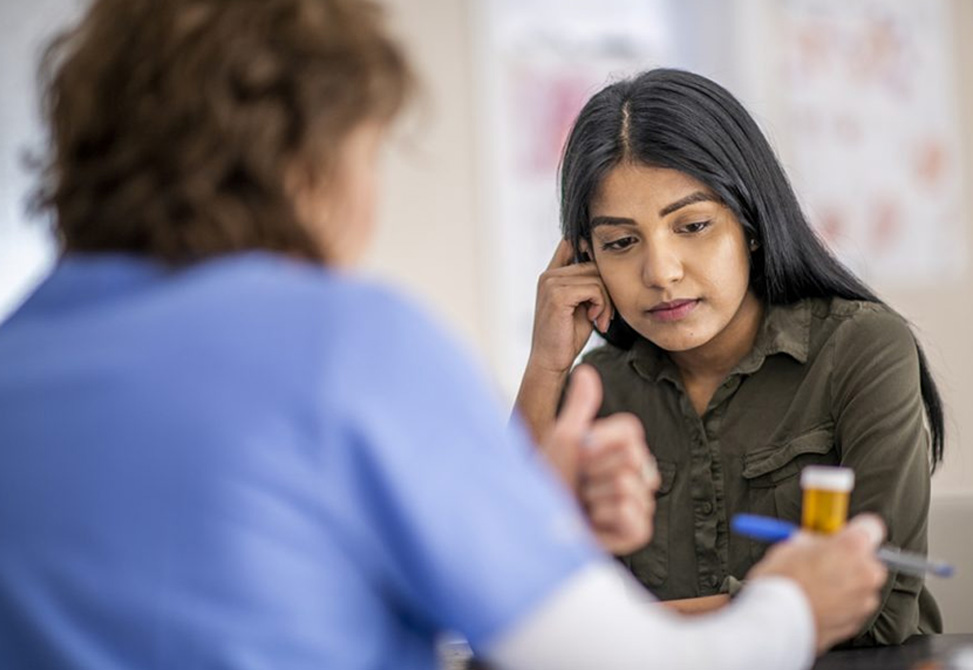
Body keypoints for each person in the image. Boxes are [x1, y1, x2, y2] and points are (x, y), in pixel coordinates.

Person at [0, 2, 887, 668]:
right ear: (314, 154)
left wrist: (523, 518)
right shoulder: (347, 346)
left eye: (691, 227)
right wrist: (792, 607)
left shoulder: (18, 358)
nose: (659, 270)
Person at [515, 68, 944, 645]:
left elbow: (878, 612)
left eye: (692, 225)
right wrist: (545, 368)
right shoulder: (595, 388)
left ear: (752, 224)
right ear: (585, 257)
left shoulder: (860, 350)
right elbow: (508, 587)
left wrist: (612, 630)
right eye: (620, 243)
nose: (661, 273)